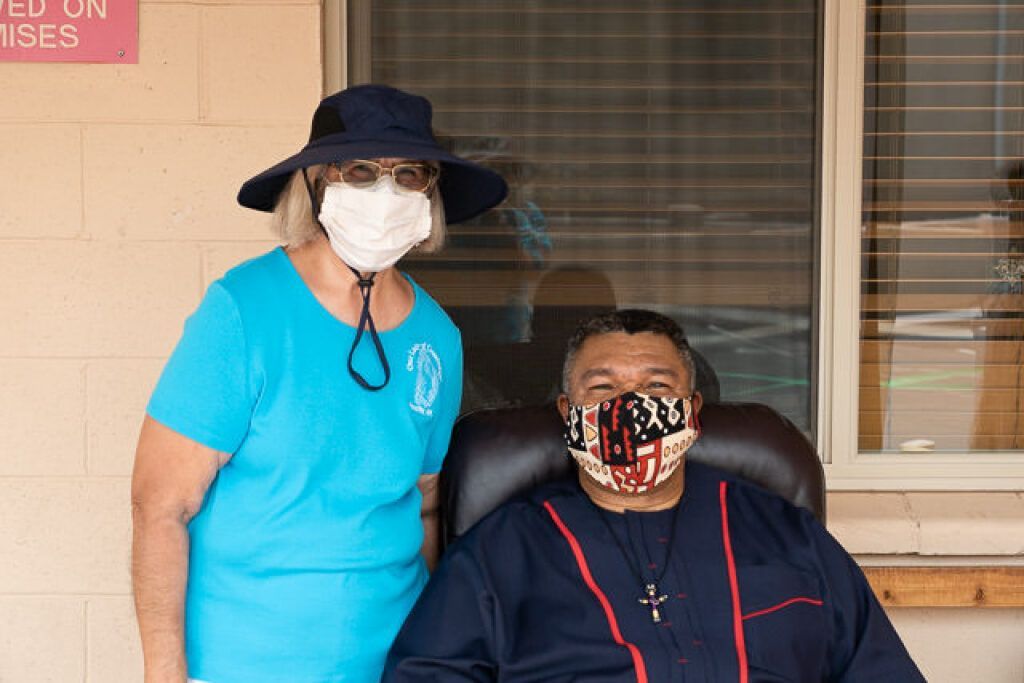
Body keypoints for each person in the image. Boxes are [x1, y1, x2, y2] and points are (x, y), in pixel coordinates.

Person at [130, 84, 507, 683]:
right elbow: (160, 506)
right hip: (242, 662)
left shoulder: (438, 337)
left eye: (410, 174)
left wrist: (435, 651)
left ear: (430, 193)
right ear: (315, 182)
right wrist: (164, 671)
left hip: (394, 662)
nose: (385, 193)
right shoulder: (244, 310)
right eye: (360, 170)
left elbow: (425, 504)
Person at [383, 310, 925, 682]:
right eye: (602, 388)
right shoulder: (501, 553)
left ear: (691, 413)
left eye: (656, 387)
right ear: (569, 416)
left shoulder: (789, 537)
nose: (629, 406)